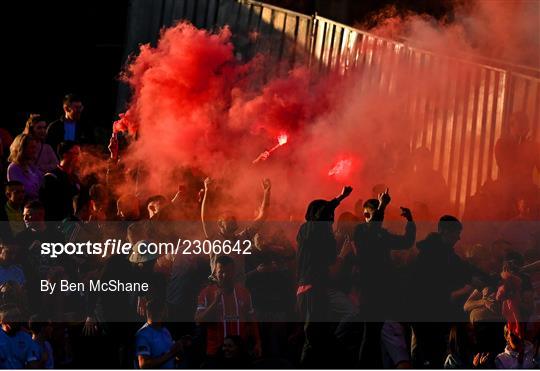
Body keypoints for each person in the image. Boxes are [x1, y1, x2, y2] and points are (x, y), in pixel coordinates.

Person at [296, 185, 352, 367]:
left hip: (317, 291)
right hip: (310, 291)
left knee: (319, 338)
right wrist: (339, 198)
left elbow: (329, 269)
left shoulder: (323, 237)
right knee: (313, 337)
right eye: (329, 217)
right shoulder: (307, 230)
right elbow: (321, 215)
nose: (331, 220)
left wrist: (340, 256)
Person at [409, 215, 474, 368]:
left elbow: (464, 270)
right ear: (443, 231)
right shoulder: (430, 256)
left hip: (433, 315)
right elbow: (426, 289)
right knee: (424, 356)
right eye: (455, 233)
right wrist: (457, 293)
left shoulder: (446, 254)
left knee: (431, 356)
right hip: (424, 315)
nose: (458, 237)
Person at [201, 177, 271, 282]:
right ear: (220, 223)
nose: (234, 220)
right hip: (218, 288)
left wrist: (267, 193)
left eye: (234, 218)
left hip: (238, 290)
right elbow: (205, 218)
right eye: (229, 219)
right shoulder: (214, 238)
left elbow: (262, 217)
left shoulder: (242, 238)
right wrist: (207, 191)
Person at [195, 255, 261, 358]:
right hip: (216, 352)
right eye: (221, 272)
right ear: (215, 273)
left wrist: (258, 342)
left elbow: (252, 320)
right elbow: (198, 320)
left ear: (234, 273)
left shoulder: (244, 293)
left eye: (228, 272)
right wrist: (215, 302)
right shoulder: (206, 293)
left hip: (239, 352)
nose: (224, 275)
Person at [135, 299, 184, 369]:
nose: (166, 314)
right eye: (164, 311)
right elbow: (144, 365)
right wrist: (171, 354)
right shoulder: (143, 335)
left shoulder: (165, 331)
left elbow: (173, 358)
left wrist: (178, 351)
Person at [39, 141, 81, 221]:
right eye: (76, 154)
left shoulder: (75, 178)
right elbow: (50, 208)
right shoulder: (51, 177)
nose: (79, 157)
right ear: (65, 154)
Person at [6, 134, 42, 201]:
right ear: (22, 149)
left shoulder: (32, 167)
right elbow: (23, 192)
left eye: (35, 147)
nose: (35, 151)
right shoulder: (13, 168)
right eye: (32, 147)